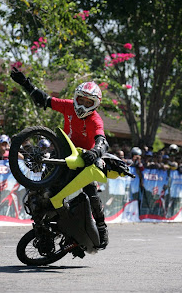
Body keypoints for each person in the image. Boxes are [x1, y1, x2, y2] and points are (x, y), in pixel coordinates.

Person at [11, 67, 109, 249]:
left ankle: (102, 227)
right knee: (40, 190)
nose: (83, 105)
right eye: (81, 100)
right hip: (63, 151)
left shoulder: (96, 120)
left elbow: (102, 141)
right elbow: (44, 100)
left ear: (95, 105)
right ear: (75, 97)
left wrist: (95, 152)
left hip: (84, 159)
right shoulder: (67, 105)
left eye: (89, 103)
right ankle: (42, 224)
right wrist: (26, 83)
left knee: (92, 194)